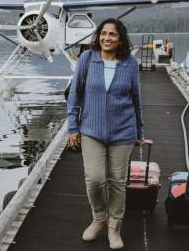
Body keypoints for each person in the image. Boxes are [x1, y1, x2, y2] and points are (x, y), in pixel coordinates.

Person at [66, 17, 144, 249]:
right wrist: (73, 127)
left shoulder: (130, 63)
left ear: (120, 39)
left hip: (124, 132)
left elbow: (136, 99)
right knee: (96, 180)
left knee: (117, 182)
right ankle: (99, 218)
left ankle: (114, 227)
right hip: (91, 129)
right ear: (98, 36)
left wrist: (140, 130)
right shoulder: (87, 59)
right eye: (103, 34)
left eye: (112, 34)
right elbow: (75, 95)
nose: (107, 38)